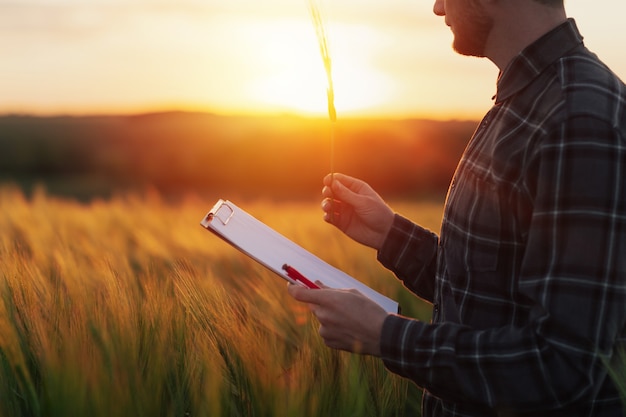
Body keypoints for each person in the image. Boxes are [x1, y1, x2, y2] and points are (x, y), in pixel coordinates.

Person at [287, 0, 626, 415]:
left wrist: (385, 336)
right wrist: (390, 235)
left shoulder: (578, 119)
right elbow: (490, 297)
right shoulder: (525, 102)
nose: (436, 7)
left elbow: (562, 366)